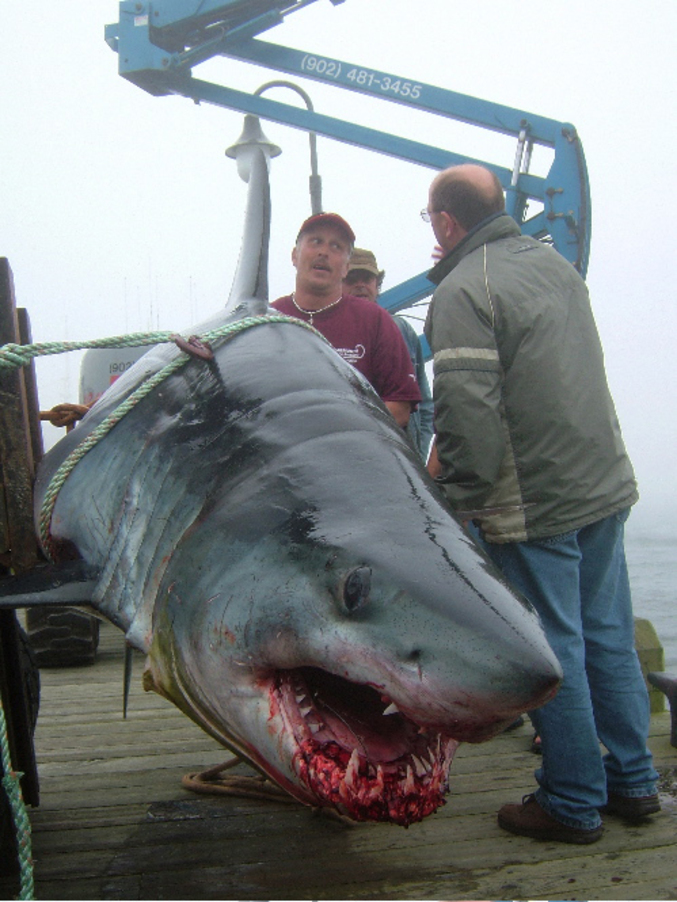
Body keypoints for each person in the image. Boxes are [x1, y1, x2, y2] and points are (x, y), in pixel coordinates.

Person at [423, 163, 659, 844]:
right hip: (603, 483)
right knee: (608, 637)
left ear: (445, 222)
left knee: (549, 652)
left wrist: (454, 509)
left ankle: (571, 801)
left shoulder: (465, 290)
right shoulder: (555, 268)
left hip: (535, 506)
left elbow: (467, 418)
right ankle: (633, 781)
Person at [272, 213, 421, 428]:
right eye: (315, 242)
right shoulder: (267, 320)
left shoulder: (376, 321)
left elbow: (399, 408)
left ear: (346, 267)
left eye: (336, 247)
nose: (324, 252)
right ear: (295, 255)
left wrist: (333, 430)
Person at [343, 247, 434, 461]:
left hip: (401, 462)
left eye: (367, 278)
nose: (361, 285)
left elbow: (425, 406)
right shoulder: (326, 332)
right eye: (352, 278)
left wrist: (418, 458)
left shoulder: (402, 330)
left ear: (377, 284)